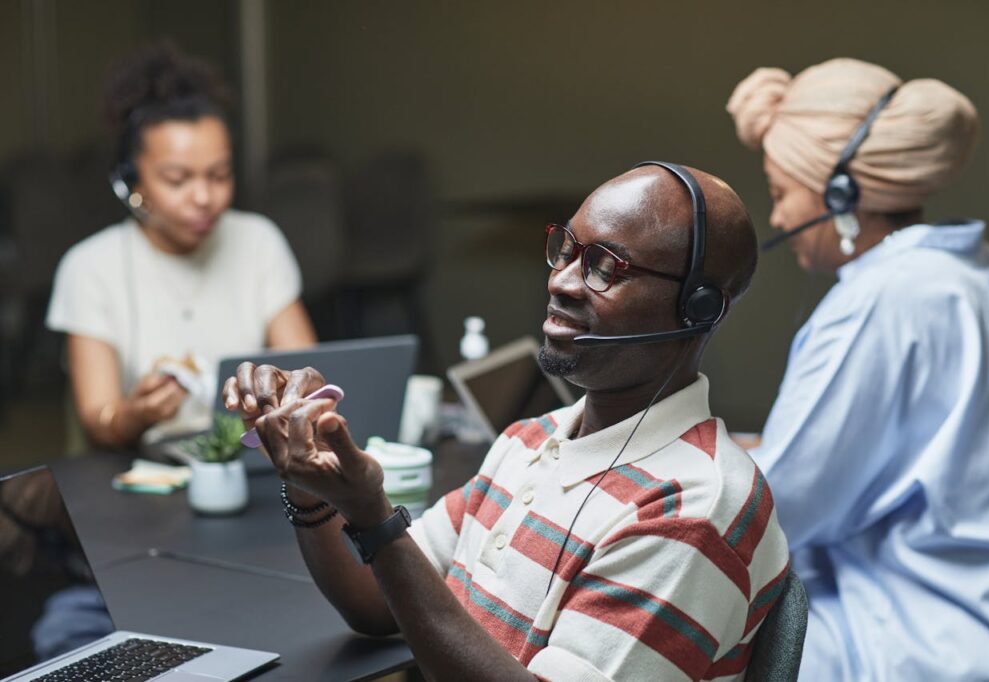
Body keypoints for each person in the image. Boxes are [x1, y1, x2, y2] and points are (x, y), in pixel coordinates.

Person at [223, 163, 790, 680]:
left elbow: (384, 555)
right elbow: (375, 602)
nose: (561, 281)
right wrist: (308, 481)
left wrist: (373, 516)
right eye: (566, 250)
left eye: (604, 267)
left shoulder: (692, 510)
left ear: (697, 309)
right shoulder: (530, 442)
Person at [727, 58, 989, 679]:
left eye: (781, 194)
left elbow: (782, 508)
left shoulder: (885, 297)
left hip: (930, 637)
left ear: (839, 195)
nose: (778, 219)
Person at [46, 42, 316, 449]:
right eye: (177, 179)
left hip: (250, 463)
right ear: (131, 181)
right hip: (142, 476)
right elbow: (97, 422)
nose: (204, 197)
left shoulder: (259, 241)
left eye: (220, 175)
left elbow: (307, 377)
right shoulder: (88, 267)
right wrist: (134, 415)